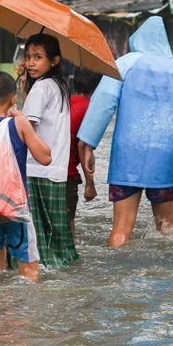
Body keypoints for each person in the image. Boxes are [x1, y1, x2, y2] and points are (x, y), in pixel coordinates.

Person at [78, 17, 173, 246]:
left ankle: (115, 275)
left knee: (121, 228)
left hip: (127, 159)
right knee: (166, 229)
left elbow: (103, 104)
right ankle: (166, 277)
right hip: (162, 161)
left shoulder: (124, 63)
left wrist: (88, 143)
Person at [0, 71, 51, 283]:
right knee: (29, 271)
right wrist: (23, 120)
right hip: (16, 206)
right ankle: (25, 314)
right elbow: (45, 157)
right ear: (14, 99)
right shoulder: (18, 125)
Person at [21, 33, 78, 267]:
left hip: (37, 169)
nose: (31, 62)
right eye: (27, 57)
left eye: (38, 57)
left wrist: (14, 116)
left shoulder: (42, 88)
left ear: (54, 60)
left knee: (37, 234)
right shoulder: (59, 86)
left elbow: (26, 128)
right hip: (57, 168)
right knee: (56, 234)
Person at [68, 67, 102, 236]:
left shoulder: (65, 100)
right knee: (69, 223)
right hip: (66, 173)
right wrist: (90, 184)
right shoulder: (90, 108)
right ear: (97, 87)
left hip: (45, 169)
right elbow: (83, 146)